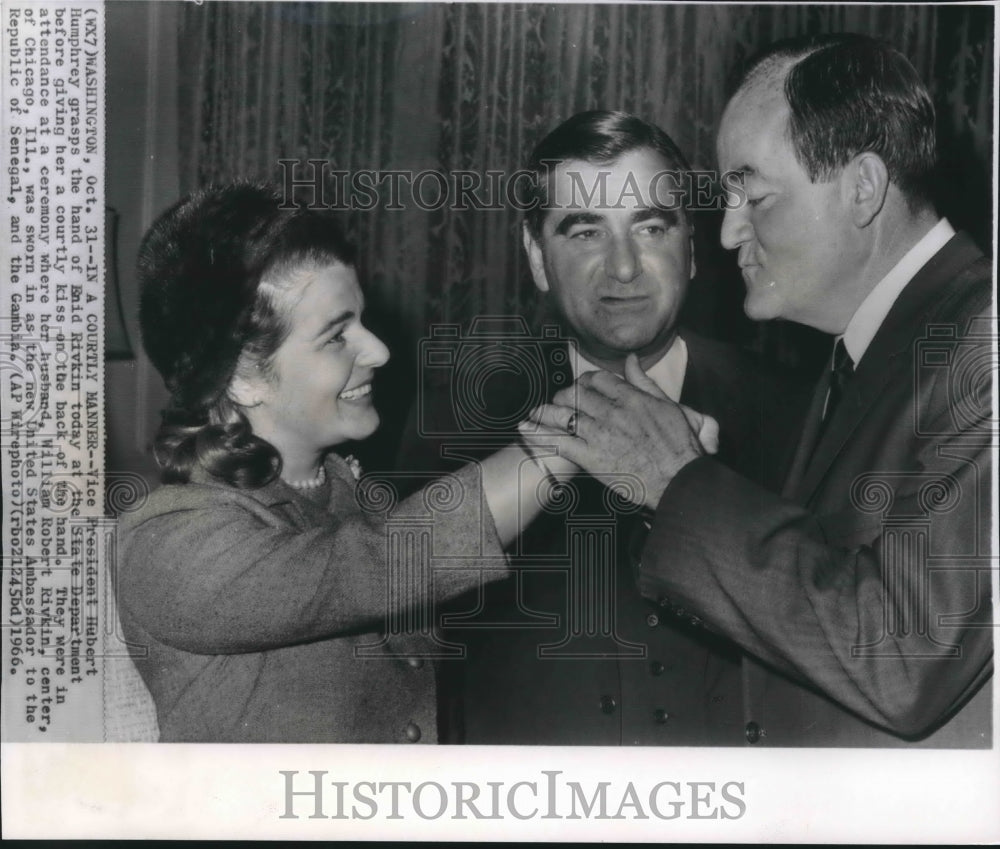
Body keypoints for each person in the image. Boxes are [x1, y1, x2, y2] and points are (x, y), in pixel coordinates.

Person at [524, 34, 993, 746]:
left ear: (863, 188)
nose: (727, 230)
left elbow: (903, 657)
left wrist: (678, 481)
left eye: (753, 192)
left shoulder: (980, 345)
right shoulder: (871, 354)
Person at [116, 182, 575, 743]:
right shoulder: (169, 540)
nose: (379, 351)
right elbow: (372, 566)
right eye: (337, 336)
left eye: (362, 320)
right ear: (242, 376)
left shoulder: (345, 492)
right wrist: (567, 437)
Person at [398, 111, 803, 744]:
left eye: (649, 226)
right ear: (537, 257)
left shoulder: (792, 412)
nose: (623, 267)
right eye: (585, 232)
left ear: (691, 248)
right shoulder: (455, 418)